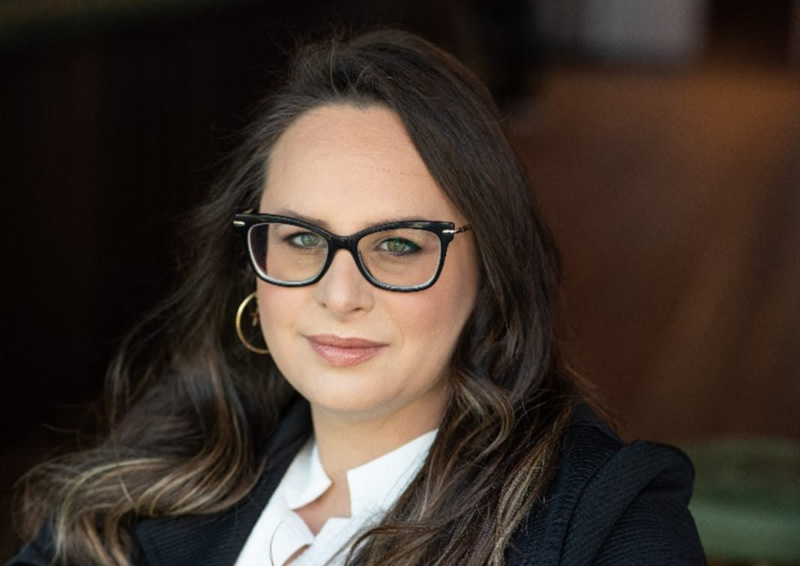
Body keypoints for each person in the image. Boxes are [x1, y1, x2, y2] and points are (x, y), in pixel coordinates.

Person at [8, 29, 705, 566]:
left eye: (398, 245)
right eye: (301, 238)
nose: (340, 294)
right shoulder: (177, 458)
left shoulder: (604, 524)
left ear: (491, 269)